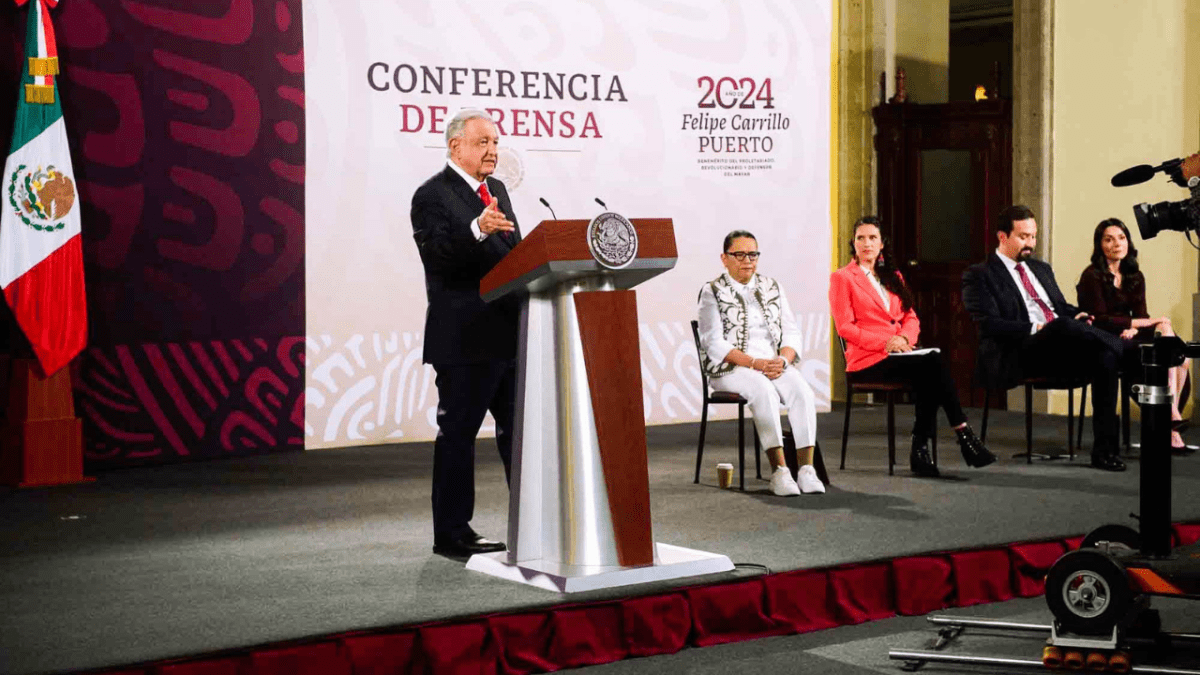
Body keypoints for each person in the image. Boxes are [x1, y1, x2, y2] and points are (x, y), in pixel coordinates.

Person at [411, 109, 522, 557]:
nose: (492, 151)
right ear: (456, 146)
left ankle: (533, 520)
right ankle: (452, 532)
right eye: (483, 143)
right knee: (458, 435)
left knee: (519, 434)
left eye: (495, 142)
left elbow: (513, 256)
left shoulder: (497, 191)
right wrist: (476, 229)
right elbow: (437, 257)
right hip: (464, 339)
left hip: (509, 335)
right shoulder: (431, 195)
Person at [962, 205, 1128, 472]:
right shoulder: (980, 274)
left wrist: (1077, 315)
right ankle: (1129, 351)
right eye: (1023, 237)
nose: (1030, 243)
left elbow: (1059, 308)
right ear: (1002, 236)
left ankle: (1105, 452)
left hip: (1059, 344)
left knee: (1105, 356)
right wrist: (1037, 327)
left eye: (1033, 236)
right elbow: (988, 324)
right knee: (1063, 326)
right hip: (1020, 351)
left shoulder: (1040, 268)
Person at [829, 216, 996, 477]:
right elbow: (845, 328)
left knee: (931, 369)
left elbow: (911, 318)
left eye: (872, 238)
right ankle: (957, 436)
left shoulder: (893, 276)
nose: (866, 243)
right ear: (853, 243)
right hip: (867, 360)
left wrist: (904, 340)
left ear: (882, 244)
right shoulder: (842, 278)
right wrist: (886, 342)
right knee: (932, 365)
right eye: (861, 238)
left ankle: (927, 448)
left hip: (899, 354)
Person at [696, 230, 824, 496]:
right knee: (763, 390)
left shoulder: (772, 286)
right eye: (739, 254)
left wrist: (783, 360)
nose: (747, 260)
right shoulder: (712, 291)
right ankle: (780, 471)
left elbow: (791, 332)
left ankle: (806, 470)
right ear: (724, 258)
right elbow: (713, 342)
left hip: (772, 364)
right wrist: (754, 363)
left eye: (753, 254)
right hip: (730, 369)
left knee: (802, 391)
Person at [1076, 218, 1191, 450]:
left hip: (1130, 334)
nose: (1116, 244)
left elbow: (1141, 314)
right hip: (1104, 339)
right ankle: (1170, 423)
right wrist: (1138, 323)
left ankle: (1169, 417)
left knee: (1181, 354)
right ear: (1100, 245)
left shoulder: (1134, 275)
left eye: (1121, 238)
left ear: (1128, 242)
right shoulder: (1092, 276)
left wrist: (1135, 327)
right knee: (1163, 338)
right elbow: (1100, 319)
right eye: (1109, 239)